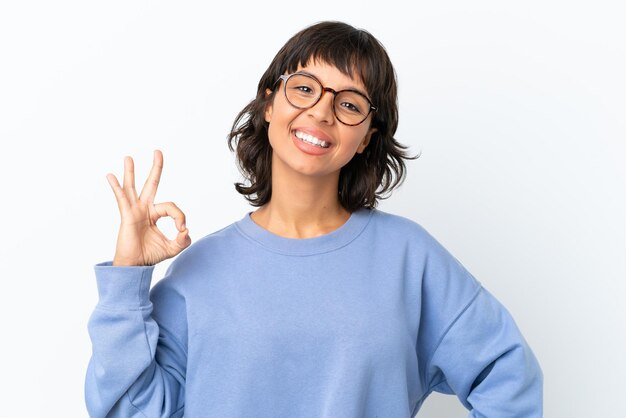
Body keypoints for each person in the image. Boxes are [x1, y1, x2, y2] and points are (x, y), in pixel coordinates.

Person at [85, 21, 543, 417]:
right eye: (304, 88)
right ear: (269, 103)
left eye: (349, 103)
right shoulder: (198, 272)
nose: (322, 111)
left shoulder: (410, 258)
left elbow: (507, 376)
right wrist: (127, 277)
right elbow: (126, 409)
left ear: (366, 136)